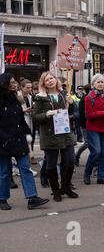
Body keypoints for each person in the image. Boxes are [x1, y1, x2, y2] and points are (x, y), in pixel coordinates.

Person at [0, 73, 50, 211]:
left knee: (26, 169)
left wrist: (27, 132)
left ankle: (32, 198)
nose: (14, 83)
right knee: (4, 172)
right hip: (3, 143)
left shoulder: (16, 100)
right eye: (11, 82)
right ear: (4, 84)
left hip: (19, 140)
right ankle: (2, 198)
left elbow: (21, 120)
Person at [33, 72, 78, 202]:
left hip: (65, 132)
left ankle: (66, 187)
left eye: (51, 78)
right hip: (50, 134)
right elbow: (35, 116)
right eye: (47, 80)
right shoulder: (40, 98)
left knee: (70, 162)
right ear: (43, 83)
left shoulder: (64, 94)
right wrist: (47, 113)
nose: (50, 81)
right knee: (51, 166)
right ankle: (56, 190)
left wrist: (72, 103)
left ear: (56, 79)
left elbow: (71, 111)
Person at [83, 74, 104, 185]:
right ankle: (87, 173)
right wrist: (103, 113)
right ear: (93, 84)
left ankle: (102, 176)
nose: (100, 84)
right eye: (98, 82)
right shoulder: (88, 97)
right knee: (96, 152)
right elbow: (89, 115)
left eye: (102, 82)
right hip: (93, 128)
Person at [75, 84, 91, 166]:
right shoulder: (84, 99)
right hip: (85, 124)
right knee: (87, 143)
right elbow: (82, 113)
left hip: (88, 124)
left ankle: (95, 162)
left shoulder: (86, 98)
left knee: (90, 143)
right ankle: (76, 156)